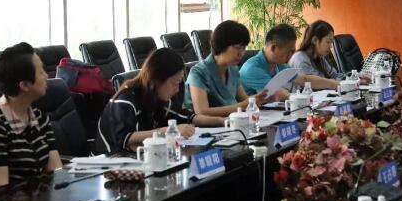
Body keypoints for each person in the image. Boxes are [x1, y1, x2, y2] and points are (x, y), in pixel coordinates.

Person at [0, 42, 62, 192]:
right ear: (24, 85)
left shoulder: (39, 117)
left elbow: (57, 173)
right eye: (41, 72)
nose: (46, 75)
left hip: (35, 199)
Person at [95, 48, 223, 154]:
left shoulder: (157, 97)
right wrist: (168, 131)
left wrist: (223, 121)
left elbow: (188, 117)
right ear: (157, 79)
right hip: (111, 162)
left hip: (142, 158)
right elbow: (124, 139)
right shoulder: (126, 99)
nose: (177, 89)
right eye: (175, 83)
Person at [185, 20, 268, 117]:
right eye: (237, 48)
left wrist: (257, 100)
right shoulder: (198, 72)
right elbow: (202, 112)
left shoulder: (233, 69)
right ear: (222, 45)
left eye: (244, 48)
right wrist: (243, 105)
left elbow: (244, 100)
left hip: (232, 122)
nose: (241, 53)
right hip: (206, 126)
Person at [239, 24, 340, 100]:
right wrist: (306, 99)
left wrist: (335, 84)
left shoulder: (278, 64)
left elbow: (304, 79)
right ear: (273, 48)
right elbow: (278, 94)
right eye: (289, 51)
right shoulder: (252, 68)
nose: (292, 55)